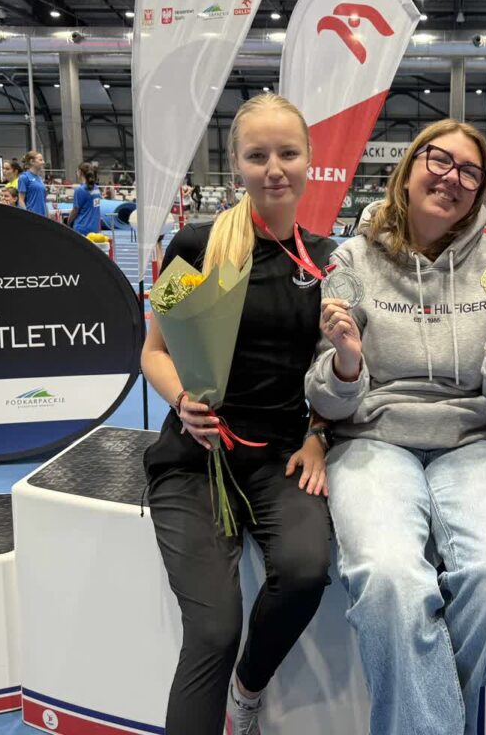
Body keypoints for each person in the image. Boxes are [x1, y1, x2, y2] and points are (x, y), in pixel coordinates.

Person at [306, 119, 486, 735]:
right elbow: (325, 400)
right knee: (387, 581)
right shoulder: (350, 261)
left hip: (473, 441)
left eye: (470, 171)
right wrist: (347, 362)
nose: (452, 178)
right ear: (409, 170)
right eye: (439, 161)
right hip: (373, 439)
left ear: (481, 189)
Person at [141, 93, 334, 735]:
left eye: (288, 153)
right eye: (258, 156)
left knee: (306, 572)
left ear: (309, 160)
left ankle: (248, 689)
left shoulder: (327, 259)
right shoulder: (197, 245)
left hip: (281, 455)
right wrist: (182, 401)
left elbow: (337, 369)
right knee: (214, 628)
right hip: (195, 458)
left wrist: (318, 435)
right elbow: (154, 351)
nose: (274, 168)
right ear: (237, 165)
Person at [67, 162, 103, 235]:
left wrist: (68, 222)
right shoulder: (96, 189)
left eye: (76, 171)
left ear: (80, 172)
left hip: (81, 227)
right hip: (94, 228)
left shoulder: (80, 190)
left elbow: (75, 210)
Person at [18, 150, 49, 217]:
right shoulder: (24, 177)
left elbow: (43, 200)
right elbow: (21, 200)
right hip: (32, 217)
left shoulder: (40, 178)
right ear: (32, 161)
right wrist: (27, 216)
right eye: (40, 160)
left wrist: (48, 215)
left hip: (43, 216)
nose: (43, 162)